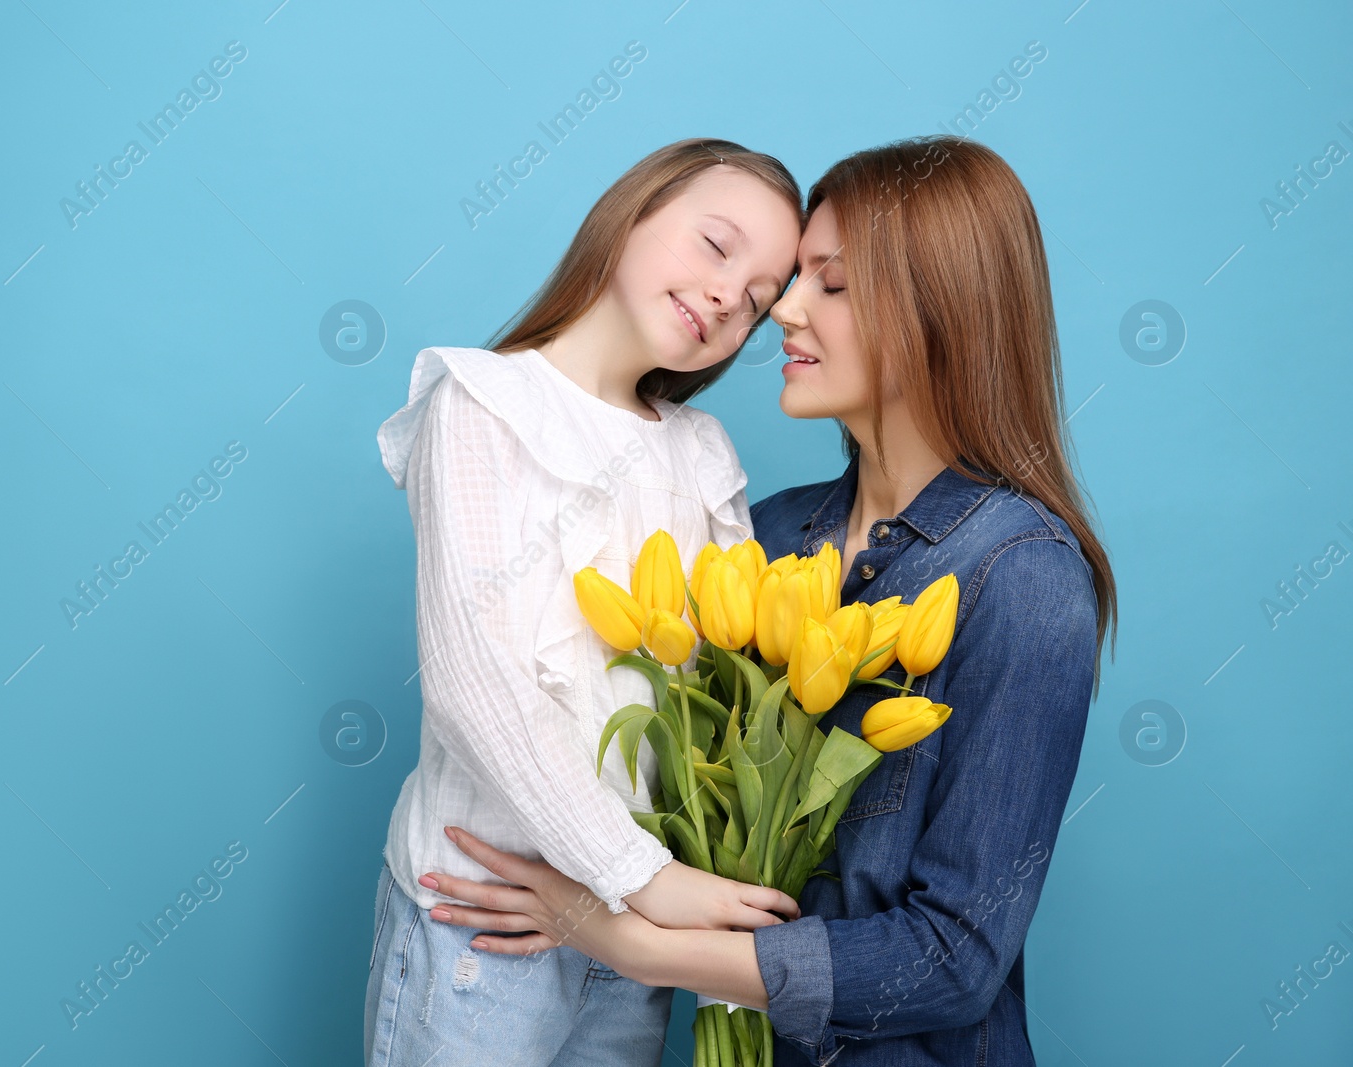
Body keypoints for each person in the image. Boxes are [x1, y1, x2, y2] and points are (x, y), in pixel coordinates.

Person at [416, 135, 1119, 1067]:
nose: (778, 310)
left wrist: (625, 937)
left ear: (938, 309)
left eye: (826, 284)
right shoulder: (769, 538)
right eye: (785, 284)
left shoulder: (1023, 577)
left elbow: (955, 959)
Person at [366, 137, 804, 1066]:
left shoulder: (703, 451)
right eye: (715, 246)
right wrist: (640, 874)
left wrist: (649, 894)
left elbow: (727, 689)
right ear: (631, 213)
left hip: (633, 942)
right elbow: (471, 679)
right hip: (480, 921)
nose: (731, 296)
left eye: (761, 301)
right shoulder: (483, 406)